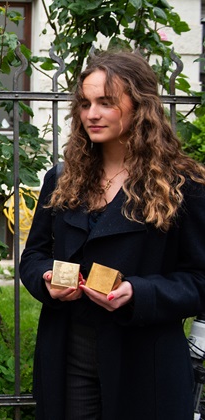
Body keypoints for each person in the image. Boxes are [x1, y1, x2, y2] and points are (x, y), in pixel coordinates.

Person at [19, 50, 205, 420]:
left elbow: (200, 280)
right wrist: (46, 279)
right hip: (68, 355)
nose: (91, 114)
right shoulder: (62, 178)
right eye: (86, 103)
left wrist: (140, 292)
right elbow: (33, 257)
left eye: (106, 103)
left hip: (144, 361)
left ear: (140, 106)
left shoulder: (184, 184)